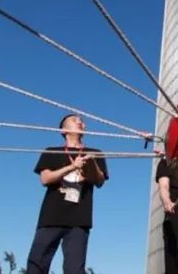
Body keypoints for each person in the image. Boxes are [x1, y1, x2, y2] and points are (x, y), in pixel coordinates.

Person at [26, 114, 108, 274]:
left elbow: (100, 181)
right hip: (51, 217)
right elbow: (45, 179)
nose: (80, 122)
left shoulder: (94, 153)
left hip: (79, 220)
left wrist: (91, 166)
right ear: (63, 130)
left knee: (74, 270)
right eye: (75, 120)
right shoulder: (51, 151)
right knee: (36, 265)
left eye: (82, 121)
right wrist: (72, 167)